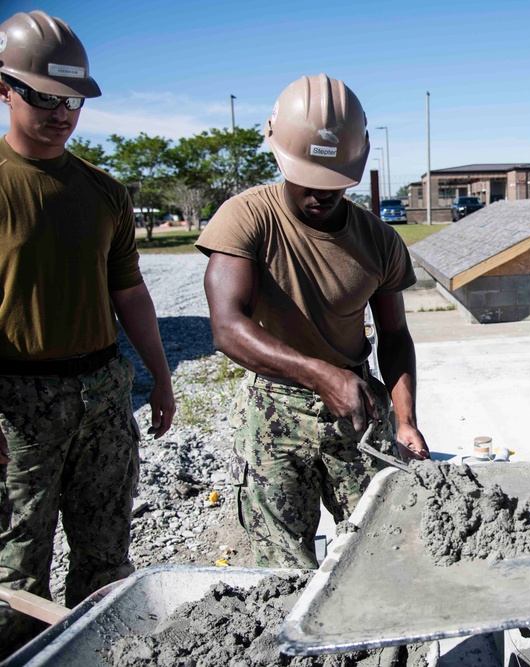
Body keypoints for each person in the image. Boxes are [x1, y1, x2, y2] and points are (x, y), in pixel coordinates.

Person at [196, 74, 429, 569]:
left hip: (356, 412)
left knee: (379, 552)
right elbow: (227, 326)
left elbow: (394, 336)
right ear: (279, 154)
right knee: (279, 572)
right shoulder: (246, 219)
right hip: (275, 412)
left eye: (335, 182)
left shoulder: (379, 241)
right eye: (309, 178)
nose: (322, 195)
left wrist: (405, 420)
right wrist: (320, 374)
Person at [0, 10, 175, 658]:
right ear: (3, 87)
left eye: (71, 99)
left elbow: (129, 293)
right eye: (42, 95)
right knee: (15, 576)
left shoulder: (104, 192)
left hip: (103, 394)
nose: (60, 112)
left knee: (106, 564)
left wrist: (158, 374)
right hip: (18, 407)